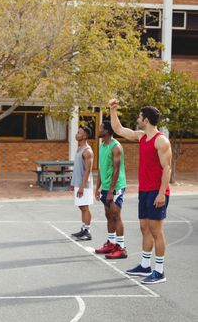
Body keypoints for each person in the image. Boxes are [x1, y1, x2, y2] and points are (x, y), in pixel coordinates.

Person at [109, 99, 172, 284]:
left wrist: (161, 193)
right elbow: (119, 130)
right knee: (144, 228)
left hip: (157, 191)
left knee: (156, 230)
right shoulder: (141, 136)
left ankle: (159, 271)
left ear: (145, 119)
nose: (137, 119)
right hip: (144, 190)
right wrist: (113, 111)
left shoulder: (161, 140)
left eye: (139, 116)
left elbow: (167, 168)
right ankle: (145, 265)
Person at [94, 120, 128, 259]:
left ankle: (121, 248)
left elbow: (116, 170)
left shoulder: (116, 147)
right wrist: (98, 187)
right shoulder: (102, 146)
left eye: (101, 128)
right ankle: (111, 243)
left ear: (107, 131)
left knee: (116, 215)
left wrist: (111, 191)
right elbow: (102, 168)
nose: (98, 130)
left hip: (116, 187)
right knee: (108, 215)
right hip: (106, 186)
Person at [70, 126, 94, 241]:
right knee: (81, 207)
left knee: (85, 207)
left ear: (84, 136)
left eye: (79, 133)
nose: (76, 135)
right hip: (78, 183)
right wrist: (73, 183)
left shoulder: (87, 151)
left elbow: (88, 170)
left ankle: (87, 232)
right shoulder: (79, 149)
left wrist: (82, 187)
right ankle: (83, 228)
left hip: (84, 185)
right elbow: (78, 168)